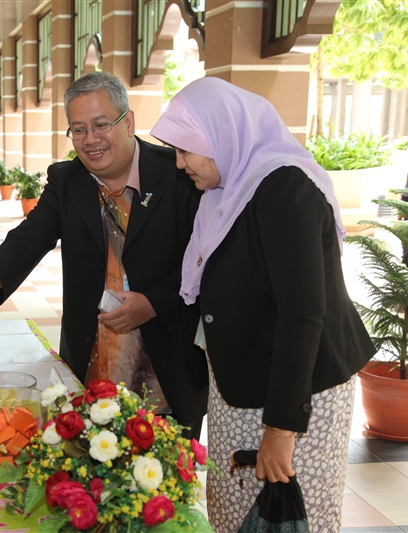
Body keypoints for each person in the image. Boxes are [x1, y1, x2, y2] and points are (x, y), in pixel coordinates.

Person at [150, 77, 376, 532]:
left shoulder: (285, 189)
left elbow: (301, 314)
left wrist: (280, 430)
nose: (179, 165)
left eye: (185, 150)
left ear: (220, 134)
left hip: (299, 393)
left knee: (292, 516)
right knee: (235, 514)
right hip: (240, 384)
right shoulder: (222, 193)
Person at [0, 71, 207, 438]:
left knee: (159, 479)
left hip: (166, 358)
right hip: (91, 353)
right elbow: (30, 236)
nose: (90, 140)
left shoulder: (179, 175)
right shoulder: (68, 180)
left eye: (101, 125)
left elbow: (205, 259)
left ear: (128, 121)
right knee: (89, 467)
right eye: (78, 129)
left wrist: (154, 303)